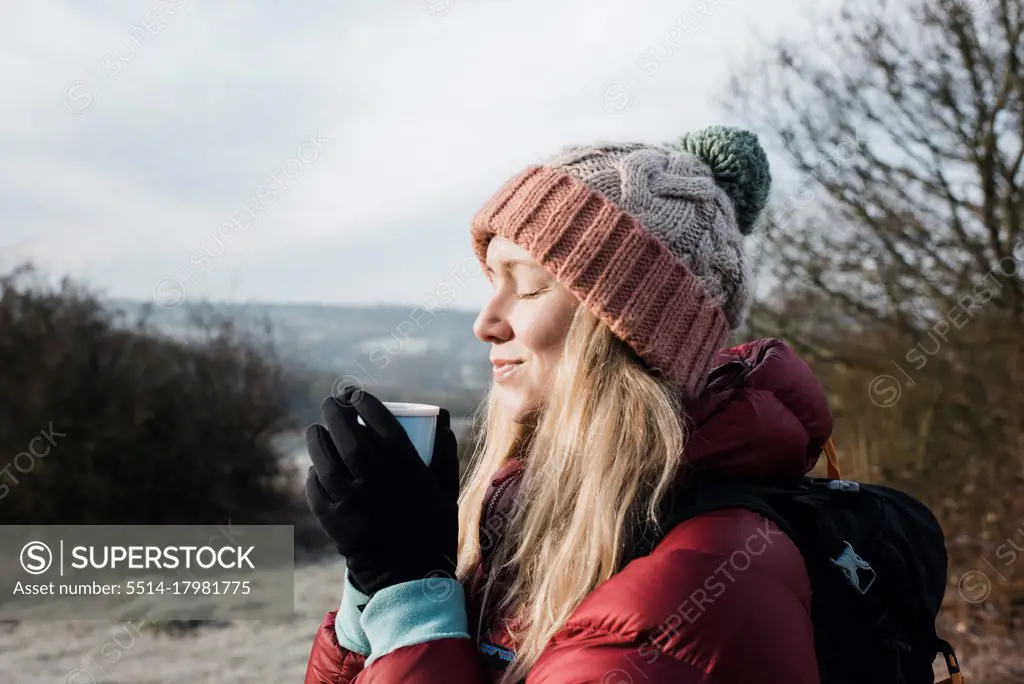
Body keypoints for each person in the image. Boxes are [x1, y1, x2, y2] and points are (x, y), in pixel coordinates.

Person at [303, 126, 829, 683]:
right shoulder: (539, 518)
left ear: (627, 331)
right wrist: (375, 588)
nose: (485, 323)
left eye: (527, 287)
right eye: (492, 283)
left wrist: (405, 592)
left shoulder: (699, 581)